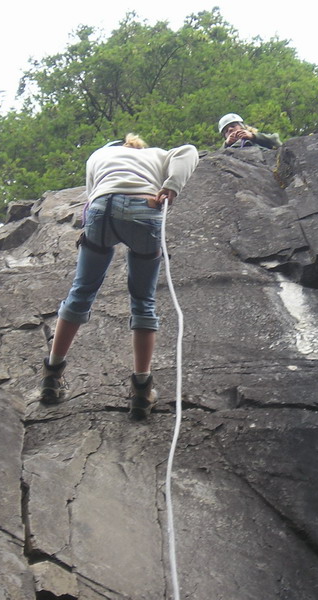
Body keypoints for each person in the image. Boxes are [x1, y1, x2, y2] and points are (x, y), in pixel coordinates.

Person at [40, 133, 199, 420]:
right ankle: (141, 391)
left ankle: (52, 375)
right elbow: (188, 151)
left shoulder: (98, 155)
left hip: (102, 210)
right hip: (144, 208)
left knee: (81, 292)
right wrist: (171, 186)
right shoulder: (154, 154)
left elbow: (92, 195)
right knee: (143, 301)